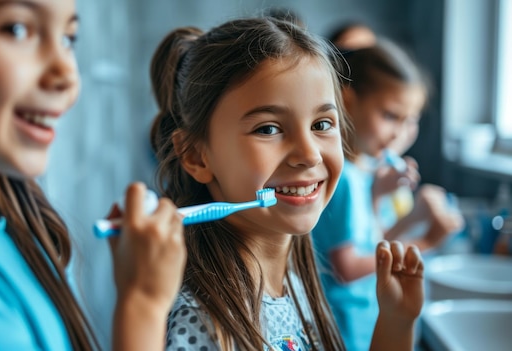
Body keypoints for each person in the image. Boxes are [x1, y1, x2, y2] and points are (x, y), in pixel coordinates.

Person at [0, 1, 185, 350]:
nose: (66, 74)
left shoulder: (28, 238)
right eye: (17, 29)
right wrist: (142, 305)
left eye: (68, 38)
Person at [149, 18, 425, 351]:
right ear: (196, 156)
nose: (309, 155)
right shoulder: (203, 321)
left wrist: (396, 323)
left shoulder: (293, 286)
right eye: (268, 129)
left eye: (322, 123)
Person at [312, 39, 464, 350]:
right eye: (391, 116)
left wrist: (411, 216)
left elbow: (374, 241)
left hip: (372, 322)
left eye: (411, 120)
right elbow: (347, 268)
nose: (400, 133)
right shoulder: (344, 180)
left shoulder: (366, 173)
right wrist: (426, 243)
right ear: (348, 103)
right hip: (348, 330)